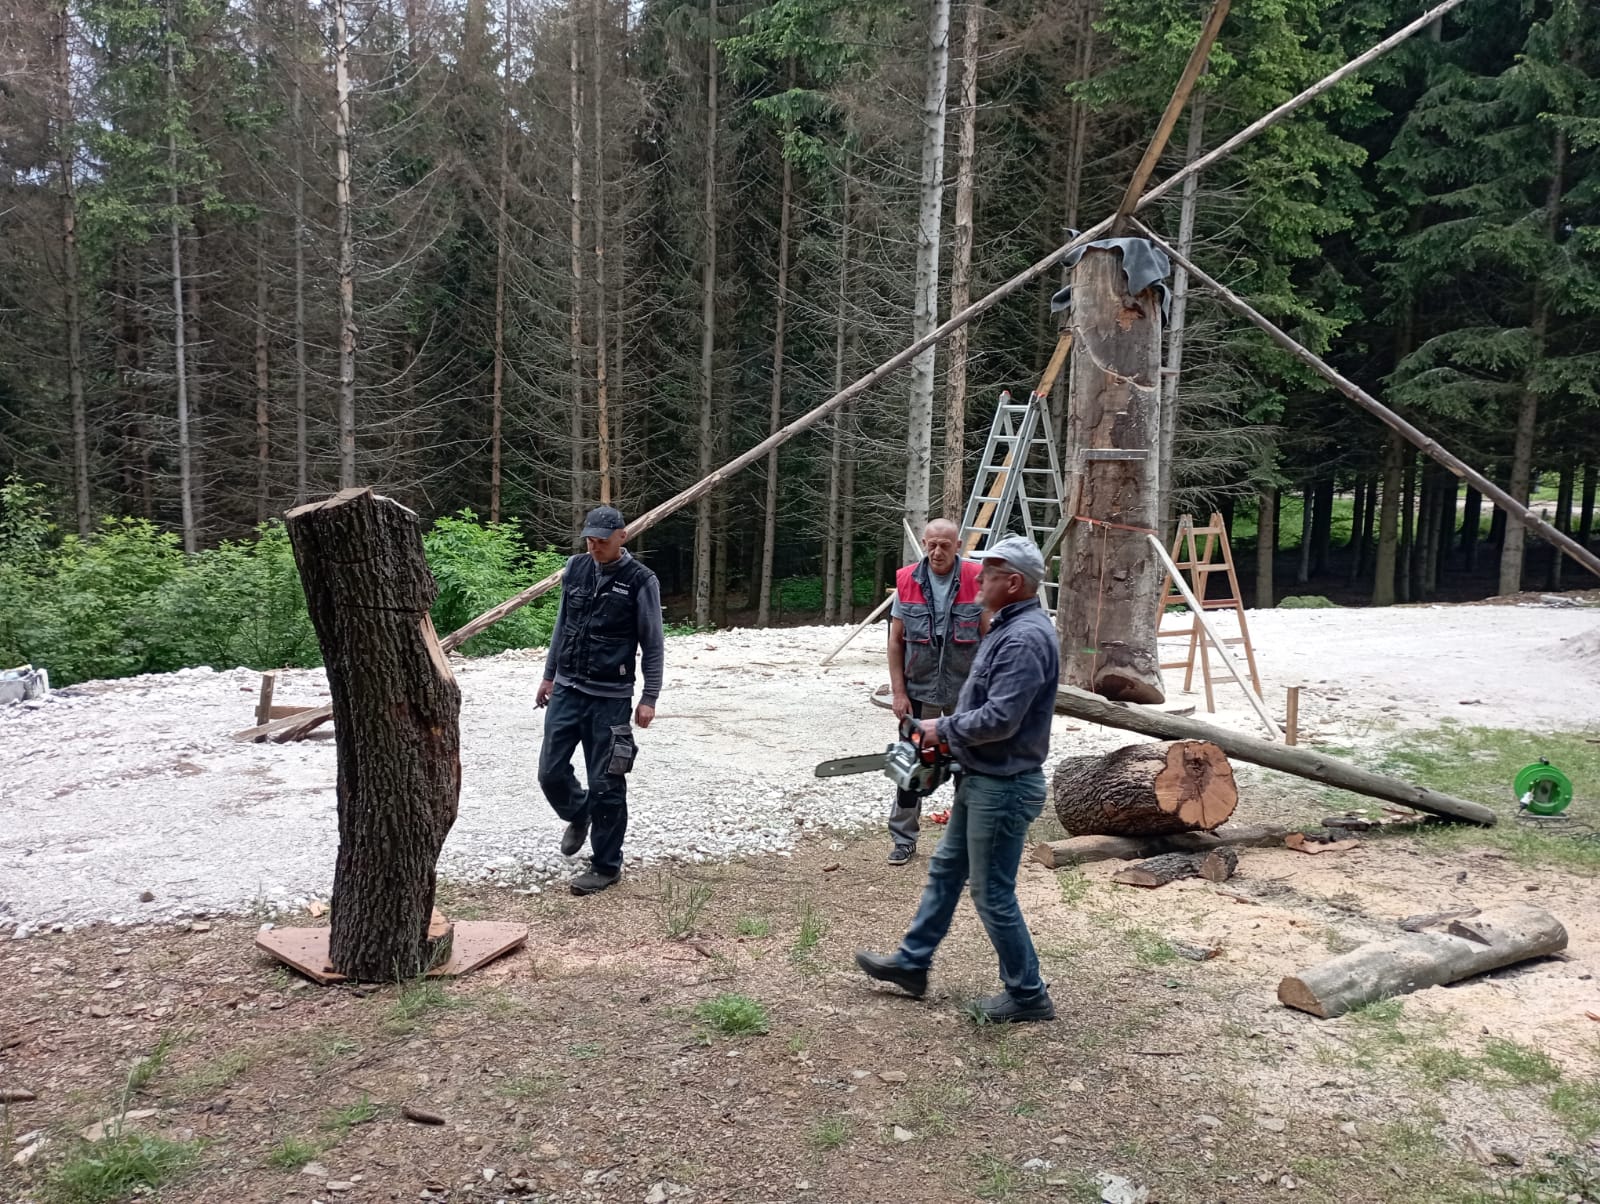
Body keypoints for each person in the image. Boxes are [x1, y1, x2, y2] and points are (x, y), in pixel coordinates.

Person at [855, 534, 1060, 1023]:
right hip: (984, 775)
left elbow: (1002, 719)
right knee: (947, 870)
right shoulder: (1007, 627)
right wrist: (946, 746)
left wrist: (938, 727)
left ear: (1012, 583)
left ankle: (1028, 995)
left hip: (1005, 785)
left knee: (992, 892)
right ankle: (912, 963)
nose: (979, 581)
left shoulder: (1025, 638)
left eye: (988, 575)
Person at [537, 505, 664, 896]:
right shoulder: (575, 567)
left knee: (607, 783)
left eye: (602, 542)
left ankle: (606, 866)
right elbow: (562, 625)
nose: (594, 547)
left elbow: (653, 643)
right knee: (550, 773)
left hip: (611, 698)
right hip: (568, 689)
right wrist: (548, 675)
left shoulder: (641, 580)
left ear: (622, 537)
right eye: (590, 540)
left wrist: (649, 696)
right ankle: (579, 812)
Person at [885, 518, 986, 866]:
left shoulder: (977, 579)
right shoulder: (907, 581)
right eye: (932, 544)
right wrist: (899, 693)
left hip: (965, 694)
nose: (937, 551)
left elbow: (989, 642)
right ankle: (903, 839)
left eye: (945, 545)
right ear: (924, 544)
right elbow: (895, 643)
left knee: (969, 770)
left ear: (958, 546)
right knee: (910, 765)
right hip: (919, 688)